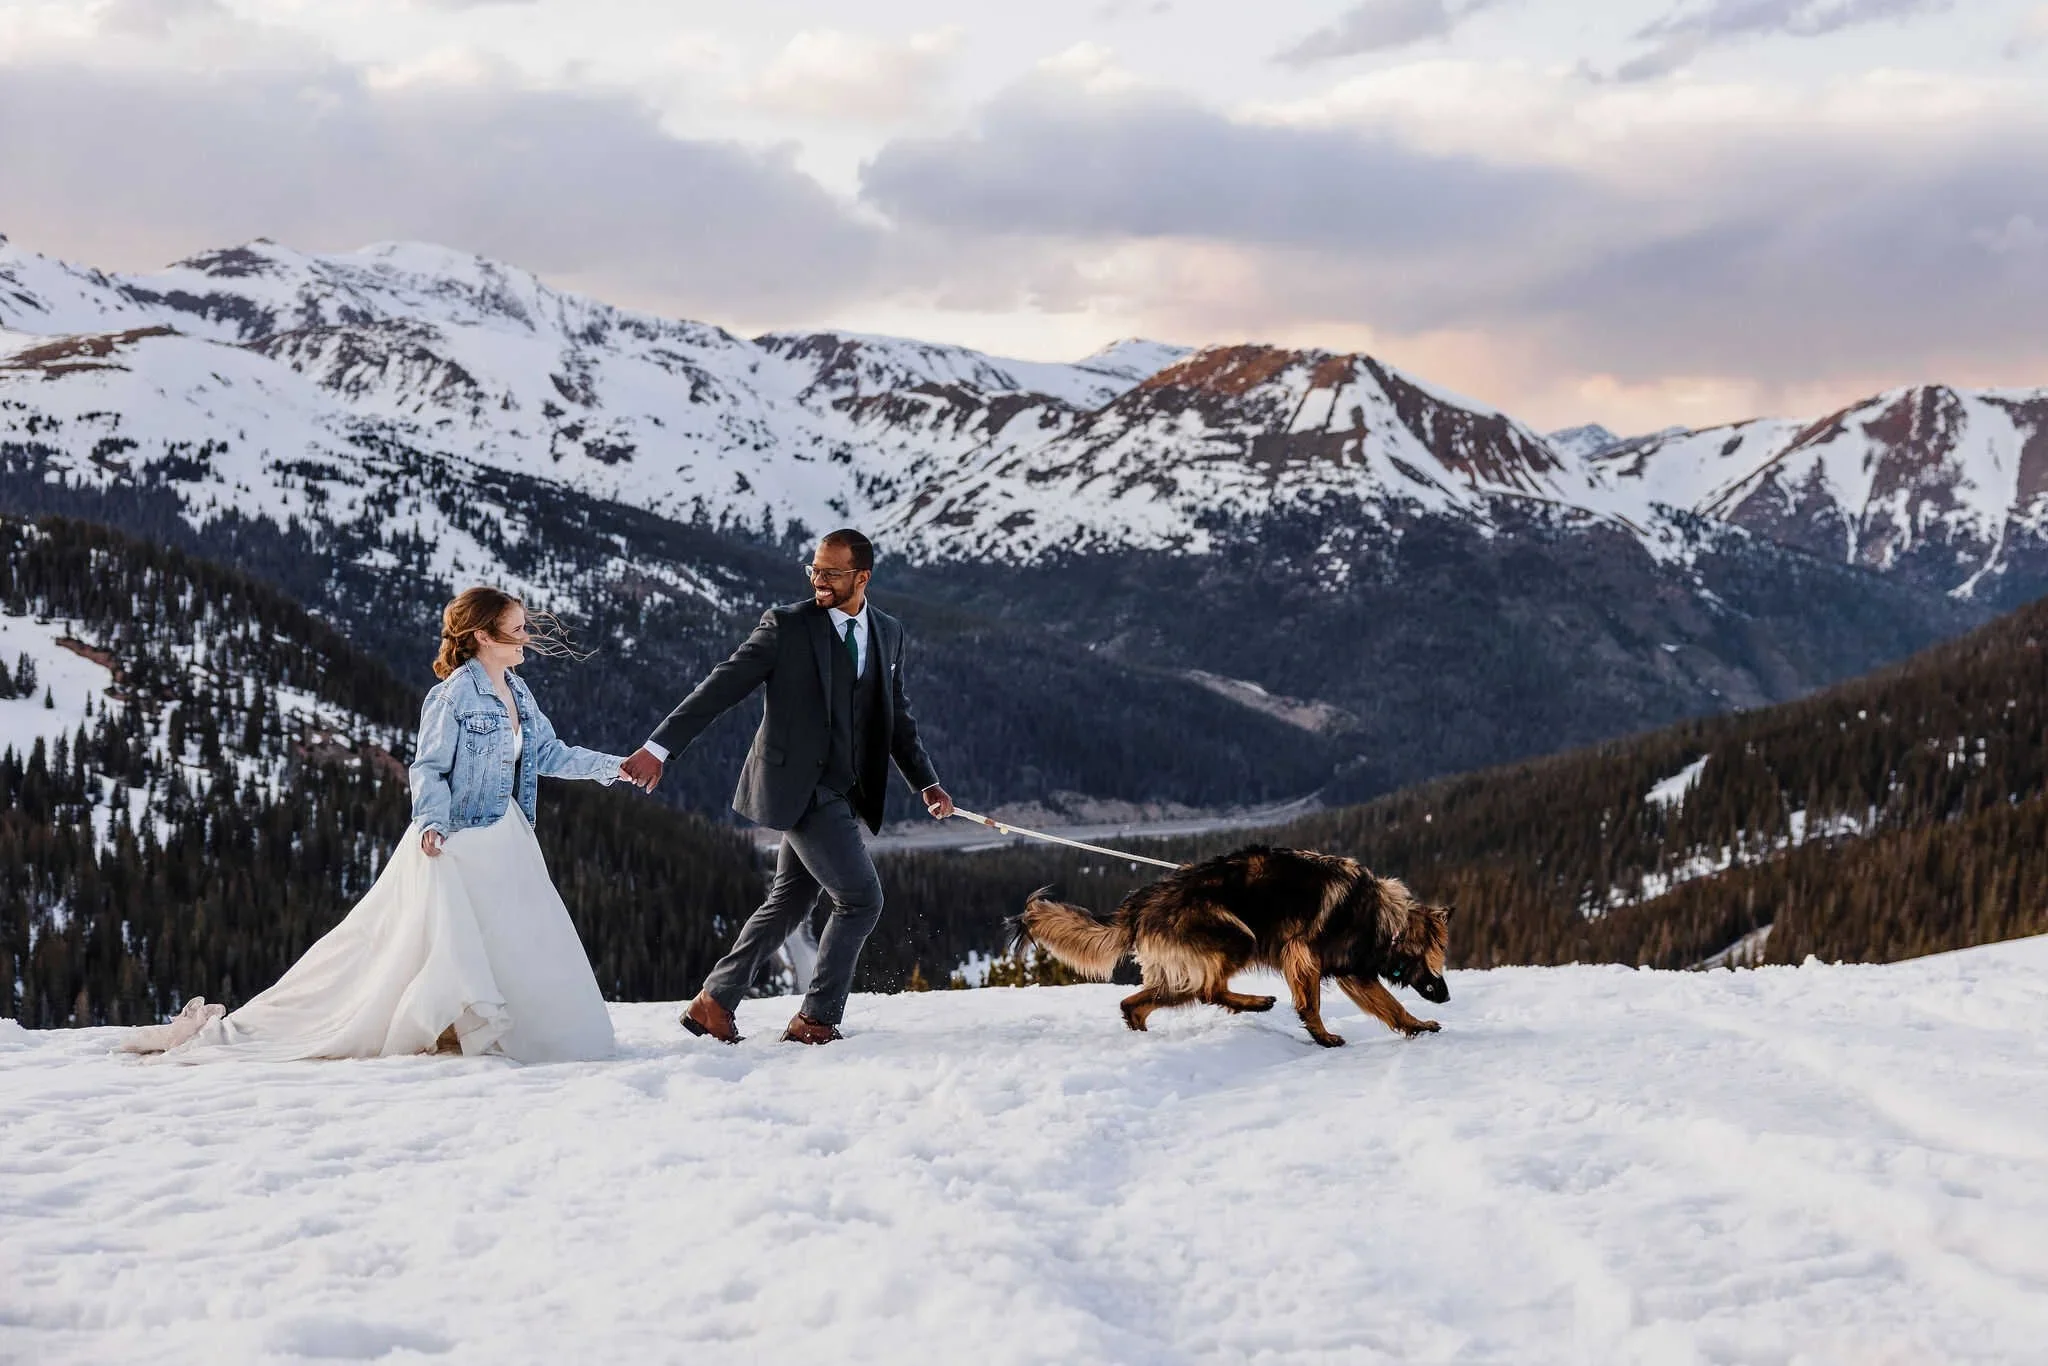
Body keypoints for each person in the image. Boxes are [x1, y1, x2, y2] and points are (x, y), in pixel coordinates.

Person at [126, 589, 626, 1063]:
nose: (527, 638)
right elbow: (428, 767)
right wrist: (431, 822)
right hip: (457, 841)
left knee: (512, 939)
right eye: (516, 630)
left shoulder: (517, 690)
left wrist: (616, 767)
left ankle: (502, 1031)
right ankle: (258, 1028)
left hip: (505, 838)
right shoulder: (453, 696)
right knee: (403, 947)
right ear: (484, 637)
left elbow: (548, 753)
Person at [619, 529, 953, 1045]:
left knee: (790, 901)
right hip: (797, 786)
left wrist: (926, 782)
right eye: (814, 570)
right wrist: (659, 748)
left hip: (846, 788)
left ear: (862, 577)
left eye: (831, 572)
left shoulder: (889, 632)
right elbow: (721, 685)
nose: (819, 580)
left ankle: (714, 1001)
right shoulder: (787, 626)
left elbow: (896, 719)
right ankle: (816, 1018)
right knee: (862, 899)